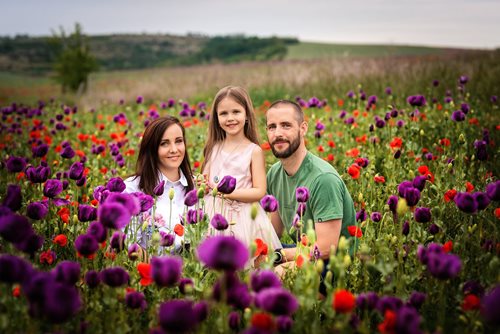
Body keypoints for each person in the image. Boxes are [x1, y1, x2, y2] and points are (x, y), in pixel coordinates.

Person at [265, 100, 356, 290]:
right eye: (272, 127)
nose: (278, 133)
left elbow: (325, 248)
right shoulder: (274, 174)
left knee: (278, 274)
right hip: (304, 253)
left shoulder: (323, 179)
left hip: (334, 265)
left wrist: (279, 257)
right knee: (252, 264)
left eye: (286, 125)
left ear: (303, 128)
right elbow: (274, 233)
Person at [201, 86, 281, 254]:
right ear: (216, 118)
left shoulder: (253, 151)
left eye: (236, 112)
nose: (230, 118)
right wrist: (201, 184)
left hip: (244, 218)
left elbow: (259, 191)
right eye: (223, 114)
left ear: (246, 116)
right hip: (214, 213)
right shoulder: (213, 148)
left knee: (246, 264)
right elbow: (205, 182)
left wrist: (227, 193)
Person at [124, 116, 195, 258]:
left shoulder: (197, 187)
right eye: (164, 143)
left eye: (179, 141)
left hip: (194, 275)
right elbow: (129, 242)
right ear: (152, 149)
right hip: (151, 274)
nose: (174, 149)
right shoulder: (132, 189)